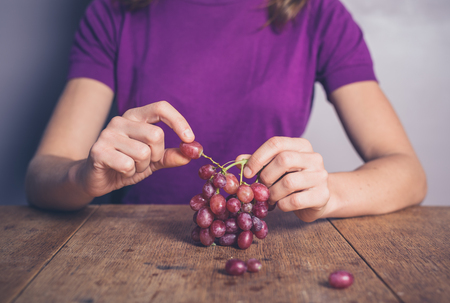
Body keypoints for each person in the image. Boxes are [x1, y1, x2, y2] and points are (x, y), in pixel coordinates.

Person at [25, 0, 427, 222]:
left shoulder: (320, 14)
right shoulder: (112, 11)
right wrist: (83, 176)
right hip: (131, 250)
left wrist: (331, 195)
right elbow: (42, 175)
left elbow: (408, 173)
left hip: (266, 248)